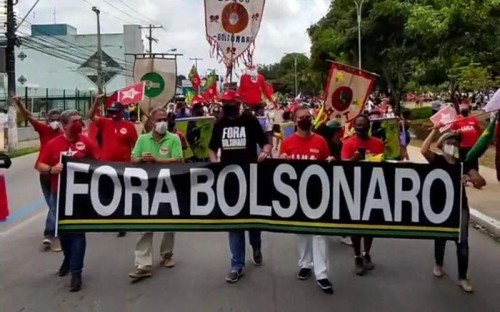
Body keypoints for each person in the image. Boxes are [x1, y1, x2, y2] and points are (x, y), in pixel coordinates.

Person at [208, 90, 272, 283]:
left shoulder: (249, 120)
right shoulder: (220, 122)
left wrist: (265, 153)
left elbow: (265, 143)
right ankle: (237, 265)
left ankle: (256, 245)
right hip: (230, 181)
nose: (227, 107)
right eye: (224, 104)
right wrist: (214, 163)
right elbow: (212, 148)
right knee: (234, 223)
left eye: (229, 104)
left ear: (237, 103)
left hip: (251, 177)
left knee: (252, 220)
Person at [37, 109, 99, 292]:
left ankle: (76, 272)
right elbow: (40, 164)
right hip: (59, 195)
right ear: (64, 125)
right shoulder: (53, 144)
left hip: (80, 197)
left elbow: (100, 163)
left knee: (78, 233)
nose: (79, 124)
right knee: (64, 233)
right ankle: (68, 258)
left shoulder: (87, 142)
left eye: (81, 120)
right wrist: (51, 169)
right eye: (74, 122)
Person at [421, 125, 486, 293]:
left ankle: (462, 277)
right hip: (440, 208)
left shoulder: (464, 163)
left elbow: (480, 182)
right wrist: (434, 130)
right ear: (442, 145)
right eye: (449, 142)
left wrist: (472, 179)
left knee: (462, 243)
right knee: (440, 238)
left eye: (456, 143)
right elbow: (423, 150)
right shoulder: (437, 160)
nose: (453, 145)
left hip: (459, 207)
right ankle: (438, 263)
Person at [280, 106, 334, 294]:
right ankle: (305, 264)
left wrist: (330, 161)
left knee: (319, 233)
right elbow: (281, 166)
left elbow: (328, 161)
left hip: (318, 194)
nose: (306, 119)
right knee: (302, 231)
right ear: (295, 121)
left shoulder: (320, 141)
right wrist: (282, 159)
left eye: (308, 117)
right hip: (296, 195)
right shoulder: (287, 143)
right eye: (302, 117)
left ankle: (322, 274)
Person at [128, 107, 184, 281]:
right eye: (159, 119)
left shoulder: (174, 138)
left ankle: (167, 254)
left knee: (169, 223)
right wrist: (141, 160)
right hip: (147, 189)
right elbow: (132, 159)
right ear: (151, 122)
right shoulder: (143, 139)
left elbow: (179, 159)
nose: (162, 122)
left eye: (164, 119)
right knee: (145, 226)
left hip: (168, 187)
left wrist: (156, 160)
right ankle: (143, 264)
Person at [13, 96, 63, 252]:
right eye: (52, 119)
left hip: (59, 173)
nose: (54, 121)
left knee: (54, 204)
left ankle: (49, 234)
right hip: (44, 172)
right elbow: (29, 116)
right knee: (52, 204)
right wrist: (20, 104)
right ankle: (56, 228)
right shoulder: (44, 129)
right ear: (47, 120)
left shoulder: (65, 133)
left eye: (57, 119)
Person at [341, 114, 385, 275]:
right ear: (354, 126)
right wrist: (354, 159)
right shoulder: (348, 143)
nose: (360, 127)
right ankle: (357, 256)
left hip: (373, 190)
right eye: (357, 124)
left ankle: (367, 253)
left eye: (363, 124)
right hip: (353, 190)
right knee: (356, 227)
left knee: (370, 226)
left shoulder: (378, 144)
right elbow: (342, 166)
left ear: (368, 126)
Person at [89, 95, 138, 238]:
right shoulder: (105, 122)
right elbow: (90, 115)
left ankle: (121, 221)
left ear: (122, 111)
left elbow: (135, 145)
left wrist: (135, 161)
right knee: (109, 191)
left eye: (116, 111)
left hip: (124, 165)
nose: (114, 114)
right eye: (111, 111)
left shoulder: (129, 126)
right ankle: (110, 216)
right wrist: (97, 101)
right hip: (106, 165)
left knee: (122, 192)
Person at [451, 104, 482, 172]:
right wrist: (456, 131)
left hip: (474, 146)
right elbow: (452, 130)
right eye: (462, 109)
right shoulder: (457, 119)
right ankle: (464, 176)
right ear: (460, 110)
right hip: (463, 145)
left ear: (468, 110)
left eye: (465, 109)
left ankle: (475, 176)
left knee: (474, 162)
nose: (464, 110)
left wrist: (479, 141)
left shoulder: (473, 118)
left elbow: (478, 130)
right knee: (463, 162)